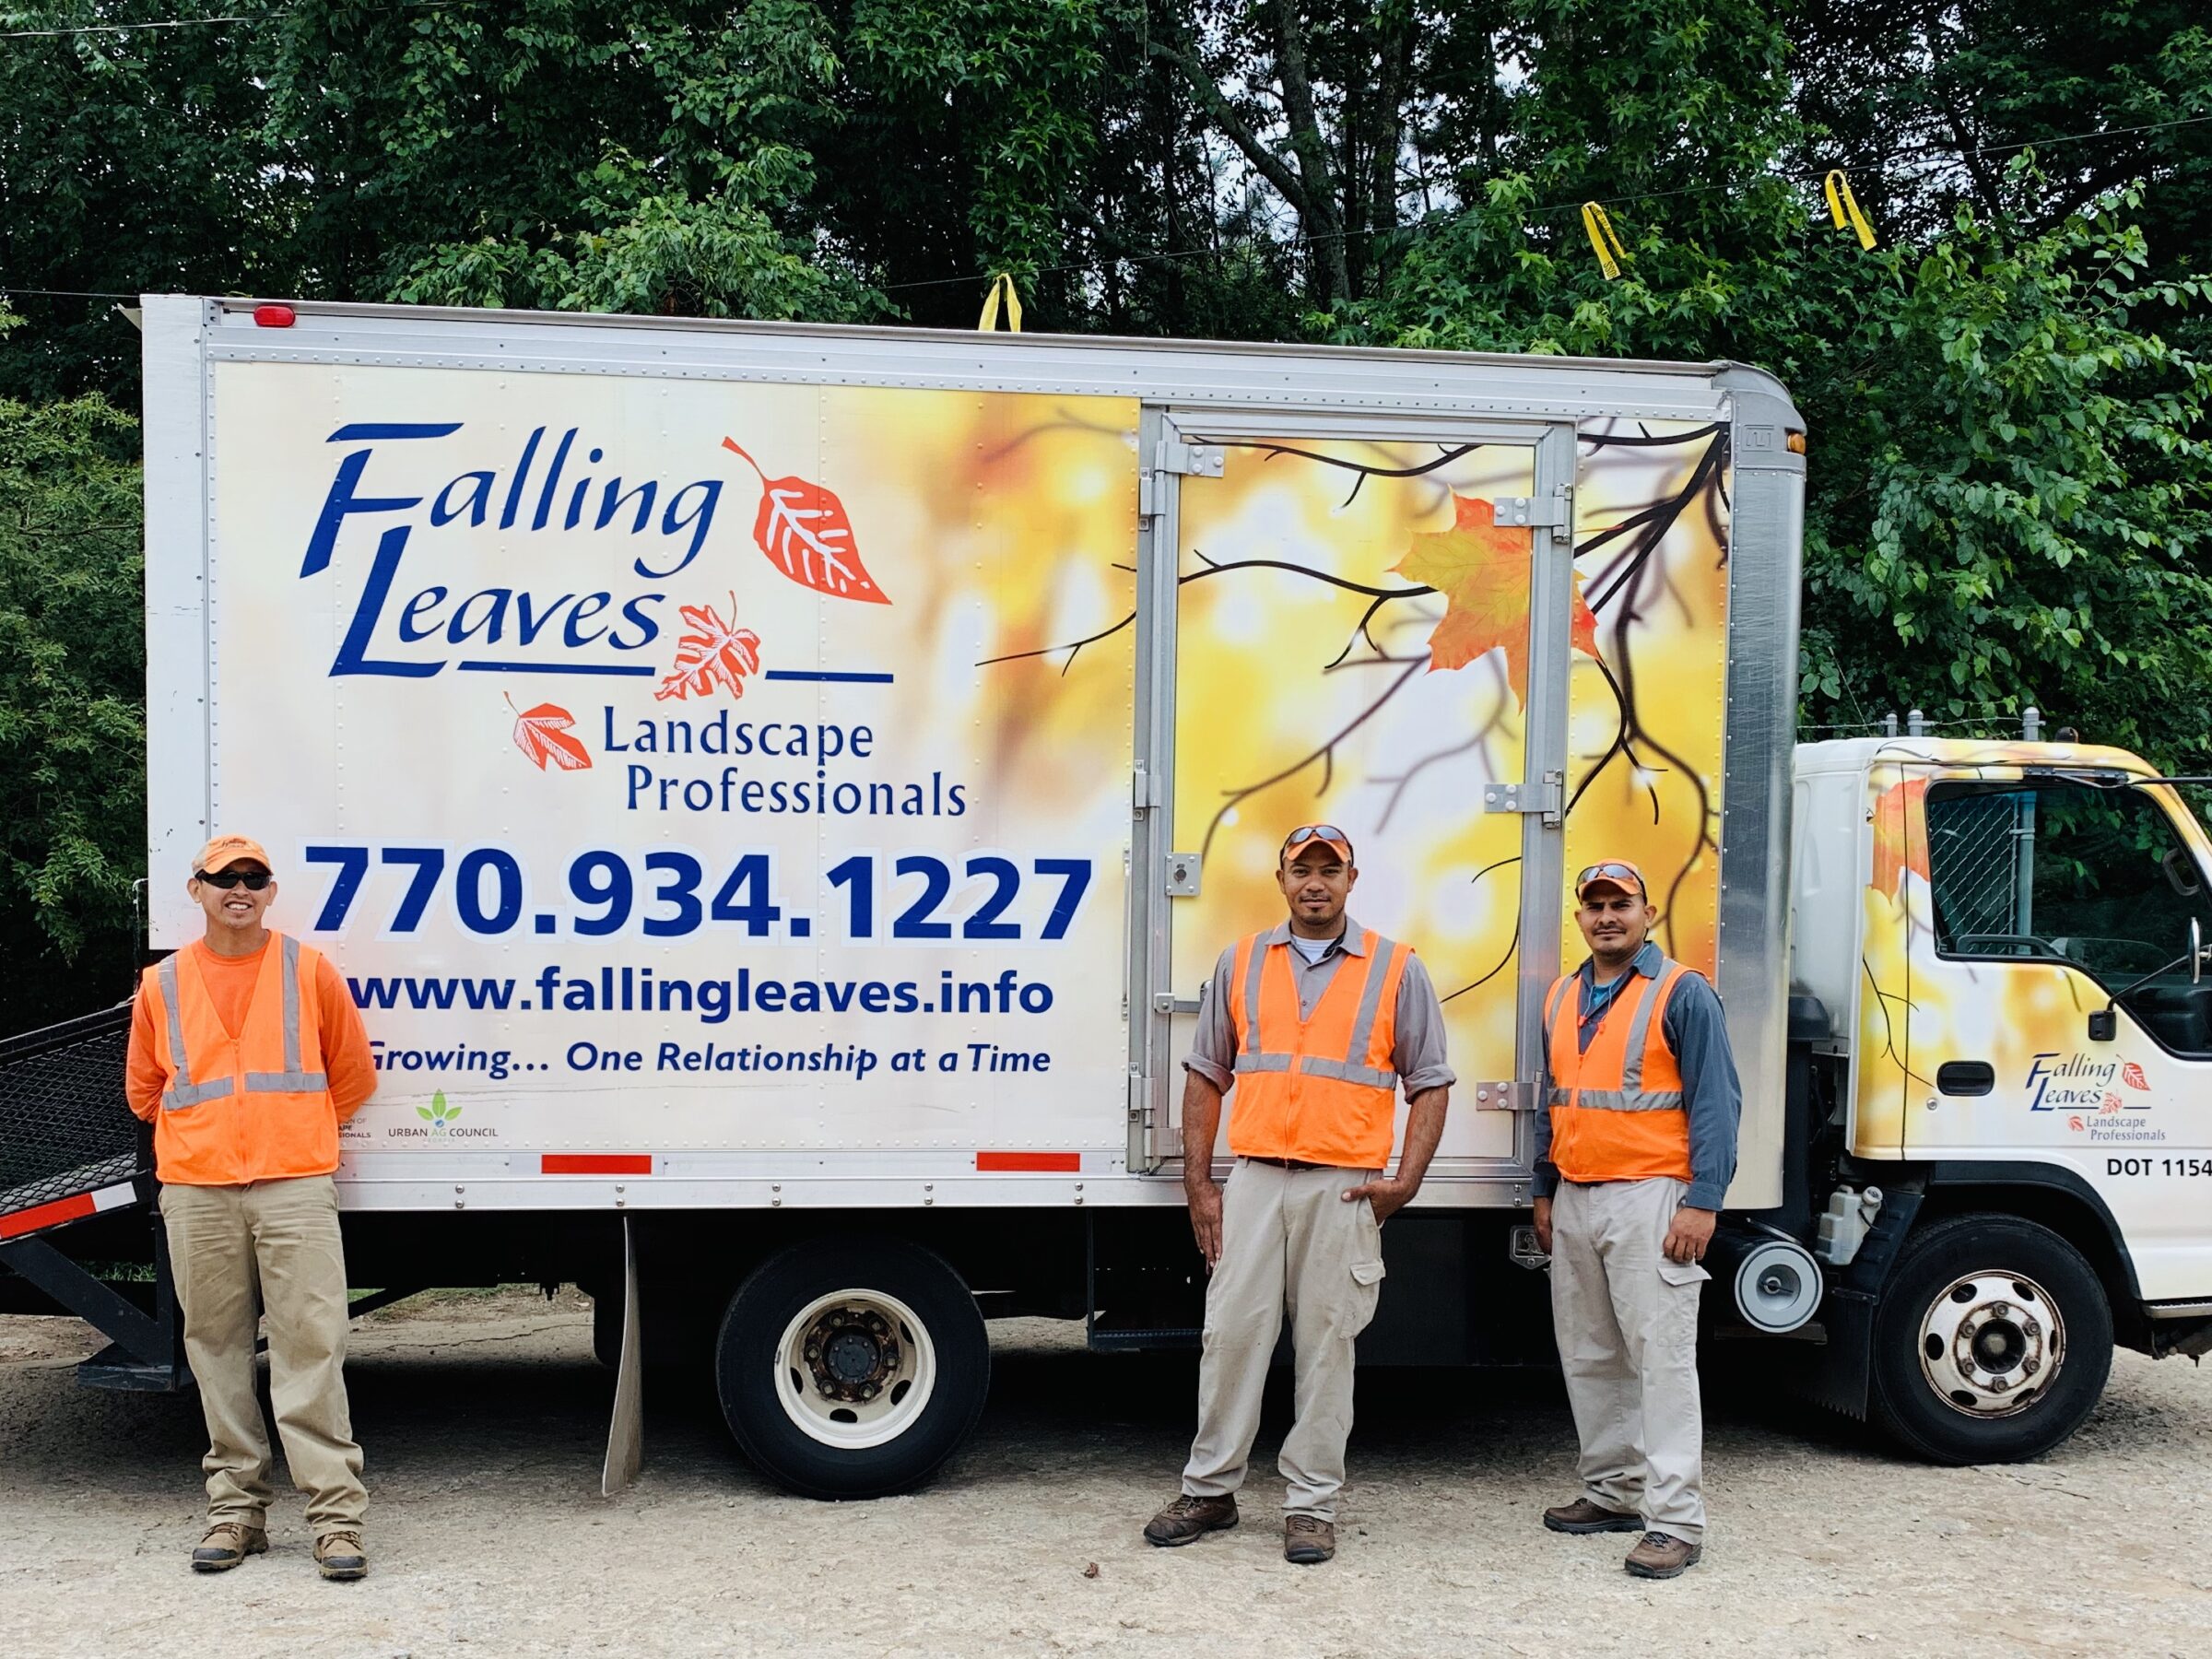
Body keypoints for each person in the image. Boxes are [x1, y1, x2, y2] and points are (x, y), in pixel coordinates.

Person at [1143, 824, 1453, 1564]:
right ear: (1281, 880)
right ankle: (1210, 1490)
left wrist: (1405, 1181)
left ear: (1352, 880)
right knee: (1231, 1340)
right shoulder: (1242, 961)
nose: (1315, 883)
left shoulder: (1396, 968)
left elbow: (1432, 1080)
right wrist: (1199, 1183)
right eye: (1301, 870)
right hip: (1253, 1181)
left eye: (1330, 871)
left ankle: (1310, 1507)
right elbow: (1206, 1073)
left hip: (1343, 1189)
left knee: (1326, 1348)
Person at [124, 835, 378, 1580]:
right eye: (223, 877)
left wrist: (289, 1139)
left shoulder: (309, 970)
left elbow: (353, 1076)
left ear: (270, 892)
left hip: (294, 1187)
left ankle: (336, 1522)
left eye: (253, 877)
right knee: (217, 1351)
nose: (239, 887)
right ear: (196, 890)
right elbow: (144, 1090)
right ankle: (236, 1514)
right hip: (198, 1191)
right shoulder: (162, 985)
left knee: (312, 1348)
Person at [1531, 859, 1741, 1580]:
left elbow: (1718, 1103)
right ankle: (1614, 1492)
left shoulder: (1683, 994)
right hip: (1579, 1193)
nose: (1606, 917)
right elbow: (1552, 1100)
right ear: (1580, 918)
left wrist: (1703, 1201)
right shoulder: (1563, 995)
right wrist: (1543, 1186)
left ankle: (1675, 1520)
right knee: (1591, 1353)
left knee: (1661, 1361)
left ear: (1647, 914)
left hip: (1653, 1197)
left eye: (1621, 904)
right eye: (1594, 906)